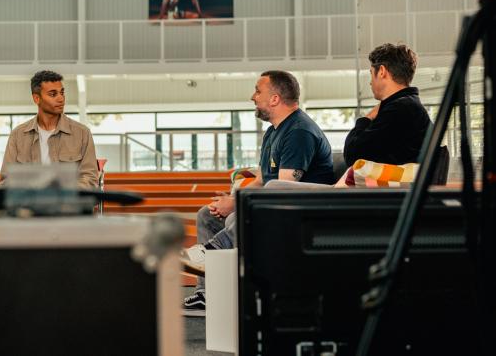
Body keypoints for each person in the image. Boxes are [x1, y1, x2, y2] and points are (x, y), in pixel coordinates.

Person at [182, 70, 334, 316]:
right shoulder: (274, 131)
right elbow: (263, 180)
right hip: (275, 204)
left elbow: (282, 189)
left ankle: (214, 250)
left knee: (236, 217)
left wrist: (236, 205)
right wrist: (232, 199)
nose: (253, 97)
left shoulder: (299, 131)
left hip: (299, 211)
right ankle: (207, 293)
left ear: (274, 99)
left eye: (257, 91)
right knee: (207, 215)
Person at [1, 70, 99, 190]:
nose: (61, 99)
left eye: (62, 93)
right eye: (53, 94)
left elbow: (90, 179)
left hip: (68, 207)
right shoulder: (18, 135)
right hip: (29, 207)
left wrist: (62, 192)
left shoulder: (82, 133)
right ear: (37, 98)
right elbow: (7, 180)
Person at [343, 43, 431, 168]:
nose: (370, 82)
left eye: (371, 73)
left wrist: (367, 117)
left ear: (382, 72)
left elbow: (353, 156)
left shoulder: (400, 109)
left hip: (396, 187)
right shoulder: (409, 106)